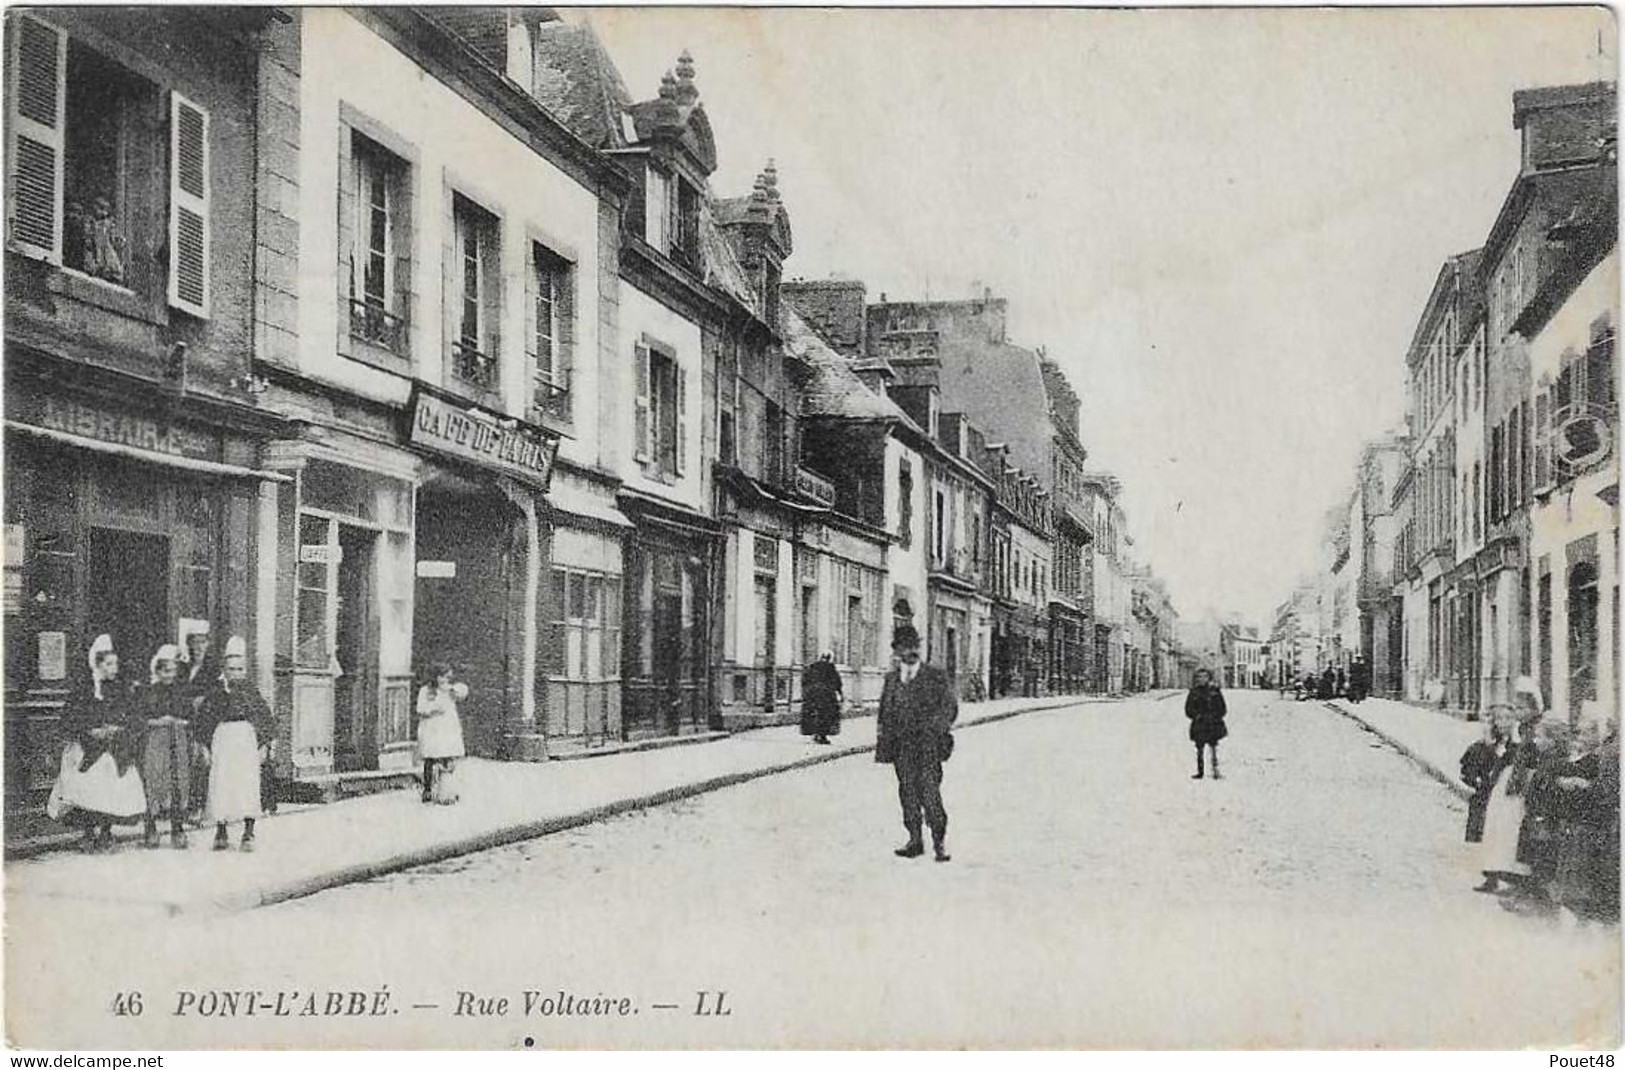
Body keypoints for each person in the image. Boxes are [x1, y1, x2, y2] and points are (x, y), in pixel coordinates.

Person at [46, 635, 146, 851]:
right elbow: (70, 717)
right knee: (86, 789)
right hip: (86, 747)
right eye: (109, 664)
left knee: (109, 790)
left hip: (112, 747)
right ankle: (88, 832)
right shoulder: (83, 689)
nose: (114, 668)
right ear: (98, 664)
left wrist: (116, 729)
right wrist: (90, 730)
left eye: (116, 664)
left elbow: (131, 716)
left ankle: (106, 832)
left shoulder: (119, 689)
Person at [875, 624, 957, 862]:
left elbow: (949, 707)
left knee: (930, 792)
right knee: (907, 792)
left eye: (914, 646)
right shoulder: (891, 679)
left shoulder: (935, 676)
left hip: (928, 746)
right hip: (902, 748)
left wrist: (936, 728)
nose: (911, 651)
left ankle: (939, 842)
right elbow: (885, 712)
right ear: (897, 651)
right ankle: (915, 839)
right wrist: (885, 740)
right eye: (905, 647)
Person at [197, 636, 273, 851]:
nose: (236, 674)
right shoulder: (216, 693)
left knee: (247, 784)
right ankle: (221, 829)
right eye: (231, 669)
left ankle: (248, 832)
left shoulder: (251, 691)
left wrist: (264, 745)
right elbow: (204, 720)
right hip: (223, 739)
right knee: (222, 782)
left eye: (240, 669)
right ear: (224, 669)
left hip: (246, 740)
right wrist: (204, 746)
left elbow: (264, 717)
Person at [1474, 679, 1545, 895]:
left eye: (1523, 708)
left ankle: (1512, 877)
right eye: (1517, 708)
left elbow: (1533, 759)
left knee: (1510, 830)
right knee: (1495, 825)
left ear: (1534, 709)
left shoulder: (1536, 730)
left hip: (1521, 784)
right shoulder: (1519, 729)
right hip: (1510, 780)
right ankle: (1492, 874)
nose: (1519, 713)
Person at [136, 644, 194, 849]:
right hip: (156, 741)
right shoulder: (148, 692)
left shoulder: (180, 692)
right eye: (166, 671)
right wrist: (159, 721)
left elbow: (190, 717)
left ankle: (177, 828)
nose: (170, 675)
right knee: (154, 781)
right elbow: (140, 719)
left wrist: (180, 722)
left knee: (177, 782)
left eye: (173, 671)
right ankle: (150, 828)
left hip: (177, 741)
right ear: (158, 671)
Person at [416, 663, 467, 804]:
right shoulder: (425, 691)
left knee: (446, 759)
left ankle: (446, 790)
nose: (444, 680)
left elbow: (463, 692)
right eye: (442, 677)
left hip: (446, 729)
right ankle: (427, 789)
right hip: (431, 728)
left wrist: (453, 689)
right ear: (435, 677)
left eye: (447, 677)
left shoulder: (450, 691)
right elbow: (420, 708)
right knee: (430, 759)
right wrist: (434, 708)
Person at [1459, 715, 1513, 847]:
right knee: (1475, 841)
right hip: (1482, 801)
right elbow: (1465, 774)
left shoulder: (1514, 750)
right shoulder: (1477, 749)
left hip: (1502, 805)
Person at [1185, 668, 1228, 780]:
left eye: (1205, 677)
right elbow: (1188, 709)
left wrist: (1215, 716)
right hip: (1199, 724)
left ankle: (1215, 770)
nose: (1202, 679)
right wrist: (1196, 716)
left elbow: (1222, 708)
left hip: (1212, 723)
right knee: (1199, 748)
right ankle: (1200, 771)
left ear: (1209, 678)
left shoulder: (1215, 691)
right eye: (1199, 677)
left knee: (1213, 747)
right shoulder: (1193, 692)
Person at [800, 652, 843, 745]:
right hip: (827, 696)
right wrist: (840, 693)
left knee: (814, 714)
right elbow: (837, 682)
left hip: (813, 695)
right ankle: (822, 735)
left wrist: (806, 692)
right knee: (826, 715)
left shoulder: (812, 667)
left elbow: (805, 680)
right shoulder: (831, 668)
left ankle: (815, 733)